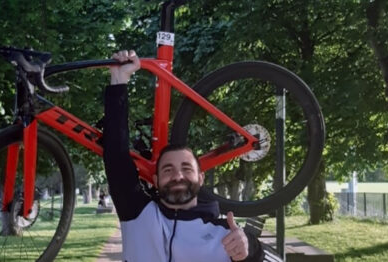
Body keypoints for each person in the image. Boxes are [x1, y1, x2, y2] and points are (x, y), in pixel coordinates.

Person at [103, 50, 281, 262]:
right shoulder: (137, 213)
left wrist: (251, 249)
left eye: (187, 169)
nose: (178, 175)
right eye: (168, 170)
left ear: (201, 178)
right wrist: (119, 79)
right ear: (157, 181)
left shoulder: (227, 234)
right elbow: (116, 155)